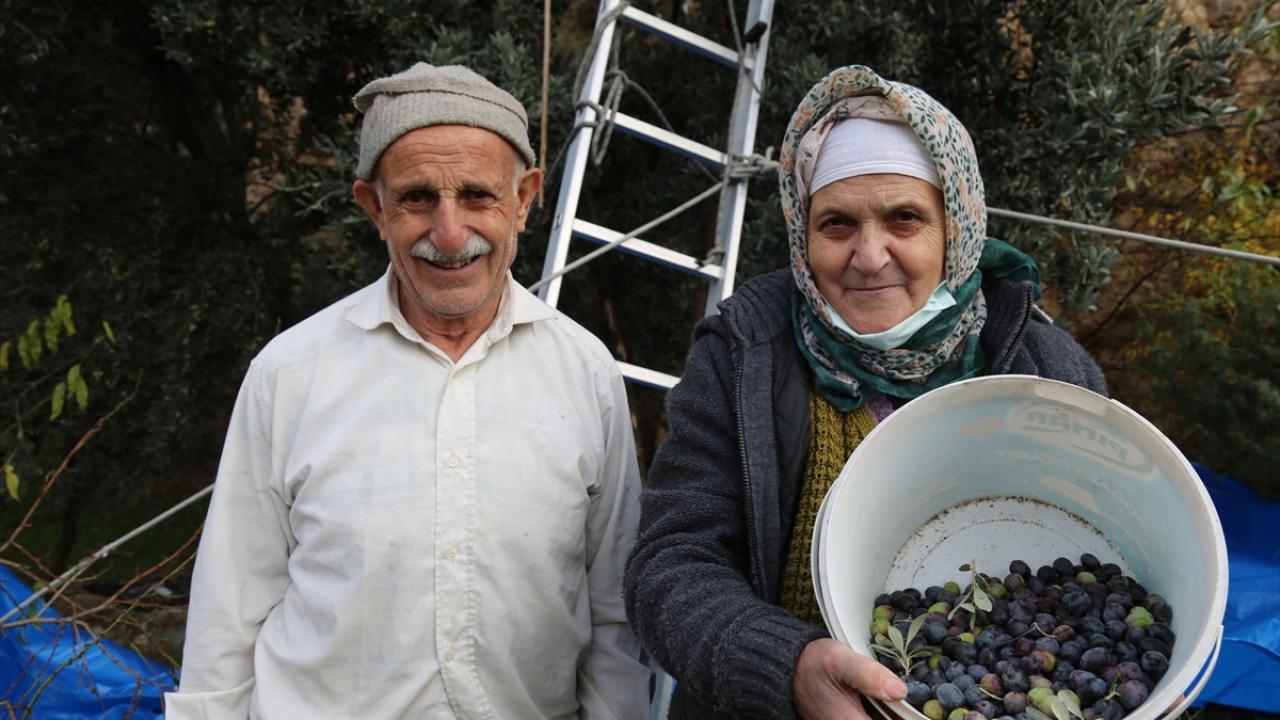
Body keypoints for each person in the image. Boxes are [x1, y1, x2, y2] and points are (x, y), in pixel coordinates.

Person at [166, 62, 648, 720]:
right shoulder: (290, 375)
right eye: (418, 198)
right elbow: (228, 609)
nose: (449, 234)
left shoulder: (586, 375)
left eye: (477, 196)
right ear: (374, 207)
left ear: (524, 199)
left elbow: (614, 615)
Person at [623, 65, 1107, 720]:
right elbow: (671, 566)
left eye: (905, 219)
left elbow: (1100, 562)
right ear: (802, 235)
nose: (870, 255)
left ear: (957, 226)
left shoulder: (1043, 369)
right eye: (837, 224)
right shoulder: (745, 357)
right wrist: (788, 667)